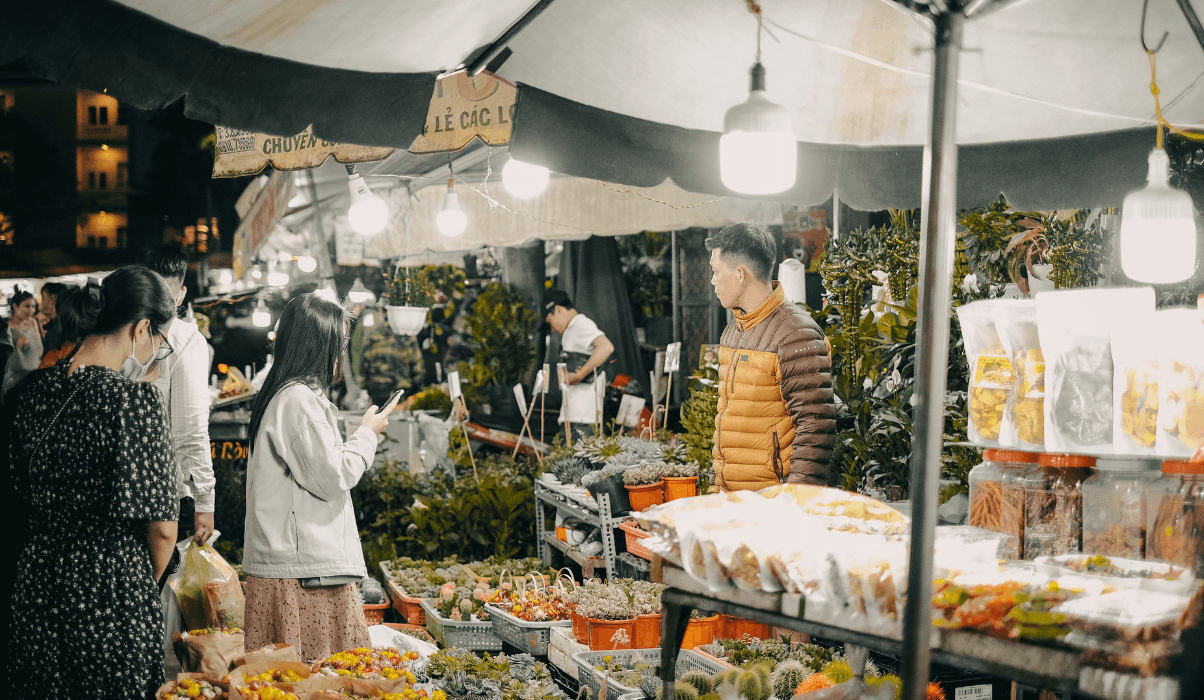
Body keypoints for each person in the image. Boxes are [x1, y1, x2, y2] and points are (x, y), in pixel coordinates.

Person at [3, 268, 180, 699]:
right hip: (111, 588)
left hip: (37, 584)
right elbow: (163, 529)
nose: (158, 351)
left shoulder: (32, 390)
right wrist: (136, 582)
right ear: (141, 328)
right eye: (160, 340)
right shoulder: (133, 400)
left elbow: (20, 489)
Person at [242, 293, 399, 662]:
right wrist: (367, 433)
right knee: (318, 678)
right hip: (302, 573)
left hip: (300, 568)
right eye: (338, 342)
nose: (339, 353)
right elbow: (333, 475)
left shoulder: (289, 396)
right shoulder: (296, 400)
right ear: (318, 344)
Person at [707, 223, 836, 490]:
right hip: (733, 503)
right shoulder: (733, 330)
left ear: (740, 275)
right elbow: (727, 425)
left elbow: (815, 428)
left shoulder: (796, 334)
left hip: (773, 504)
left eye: (716, 272)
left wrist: (793, 502)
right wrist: (716, 488)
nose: (713, 280)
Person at [140, 245, 217, 549]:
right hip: (166, 496)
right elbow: (190, 430)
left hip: (116, 491)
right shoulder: (186, 339)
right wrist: (204, 502)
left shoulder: (112, 334)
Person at [542, 289, 615, 438]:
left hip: (583, 418)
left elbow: (606, 347)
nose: (553, 329)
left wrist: (579, 375)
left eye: (550, 322)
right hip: (576, 415)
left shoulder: (579, 324)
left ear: (558, 310)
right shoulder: (572, 329)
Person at [2, 291, 42, 396]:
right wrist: (18, 349)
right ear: (15, 306)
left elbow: (40, 348)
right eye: (27, 306)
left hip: (34, 378)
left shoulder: (33, 323)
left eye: (33, 306)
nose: (31, 310)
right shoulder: (6, 327)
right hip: (15, 381)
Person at [37, 282, 68, 357]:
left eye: (44, 298)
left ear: (53, 298)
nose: (41, 303)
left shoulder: (60, 326)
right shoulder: (53, 323)